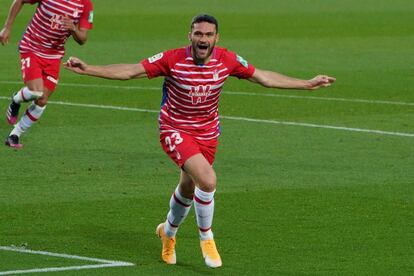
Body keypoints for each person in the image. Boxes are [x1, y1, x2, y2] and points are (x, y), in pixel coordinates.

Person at [64, 14, 335, 268]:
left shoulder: (227, 60)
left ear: (216, 38)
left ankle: (167, 232)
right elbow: (131, 71)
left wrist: (307, 84)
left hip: (207, 134)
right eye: (198, 33)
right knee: (208, 180)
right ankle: (206, 238)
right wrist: (89, 69)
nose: (203, 39)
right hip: (174, 129)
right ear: (190, 35)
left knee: (188, 186)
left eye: (208, 34)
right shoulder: (172, 59)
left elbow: (262, 77)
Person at [0, 0, 94, 148]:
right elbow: (20, 1)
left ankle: (14, 135)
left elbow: (83, 39)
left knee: (42, 100)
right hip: (32, 47)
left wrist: (73, 28)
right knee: (36, 91)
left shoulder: (85, 4)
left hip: (54, 56)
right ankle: (16, 99)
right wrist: (7, 27)